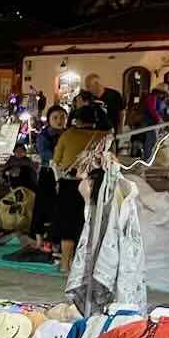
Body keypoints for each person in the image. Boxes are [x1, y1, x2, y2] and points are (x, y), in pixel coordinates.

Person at [51, 106, 107, 272]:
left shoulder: (68, 135)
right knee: (87, 224)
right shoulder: (103, 137)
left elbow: (57, 160)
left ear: (78, 120)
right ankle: (81, 266)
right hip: (93, 184)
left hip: (69, 184)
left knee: (67, 225)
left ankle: (64, 264)